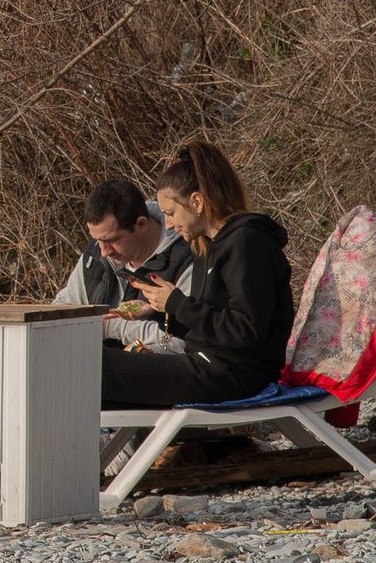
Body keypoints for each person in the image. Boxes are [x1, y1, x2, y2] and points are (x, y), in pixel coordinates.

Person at [104, 143, 294, 409]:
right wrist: (158, 310)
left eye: (170, 213)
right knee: (89, 368)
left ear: (196, 201)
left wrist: (177, 303)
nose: (168, 224)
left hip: (234, 375)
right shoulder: (208, 245)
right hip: (209, 365)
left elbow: (247, 331)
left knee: (93, 366)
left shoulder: (246, 243)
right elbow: (212, 327)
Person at [55, 177, 194, 352]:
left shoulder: (187, 259)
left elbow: (181, 341)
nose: (104, 251)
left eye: (111, 240)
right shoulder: (96, 254)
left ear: (141, 224)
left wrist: (110, 327)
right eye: (97, 240)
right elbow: (63, 308)